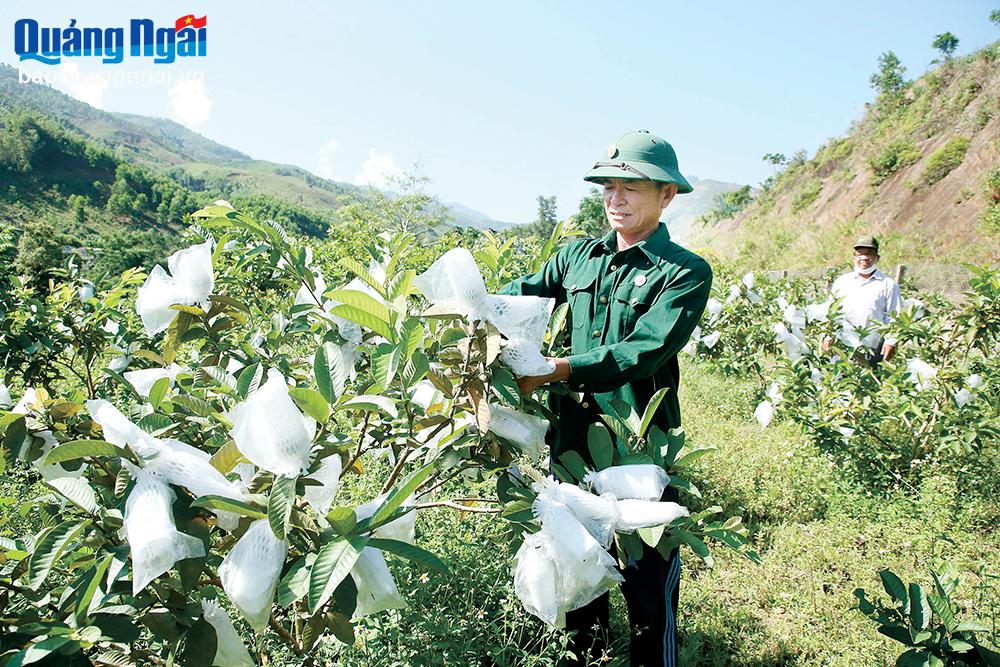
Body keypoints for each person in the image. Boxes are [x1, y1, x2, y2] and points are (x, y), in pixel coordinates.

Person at [500, 130, 712, 667]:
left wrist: (557, 369)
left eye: (631, 188)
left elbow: (644, 350)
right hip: (572, 436)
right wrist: (464, 310)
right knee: (577, 559)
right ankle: (585, 657)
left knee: (646, 576)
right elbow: (519, 299)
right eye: (608, 187)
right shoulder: (577, 258)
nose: (616, 199)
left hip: (639, 441)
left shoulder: (685, 272)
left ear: (667, 195)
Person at [827, 235, 902, 363]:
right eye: (860, 254)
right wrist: (829, 336)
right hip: (844, 344)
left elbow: (894, 315)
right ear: (854, 257)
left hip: (874, 346)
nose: (864, 258)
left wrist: (891, 341)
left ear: (877, 258)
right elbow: (831, 312)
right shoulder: (842, 282)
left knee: (872, 374)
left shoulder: (888, 284)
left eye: (869, 254)